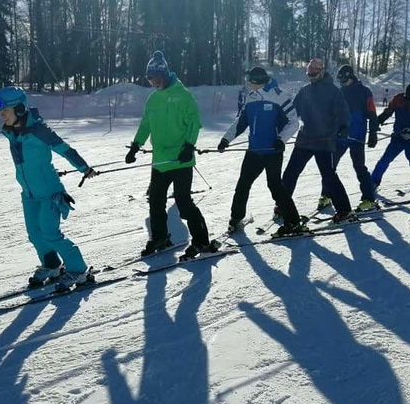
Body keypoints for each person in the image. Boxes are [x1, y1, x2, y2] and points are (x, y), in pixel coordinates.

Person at [0, 86, 97, 289]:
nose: (1, 115)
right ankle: (52, 265)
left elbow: (65, 149)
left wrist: (84, 168)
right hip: (29, 194)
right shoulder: (13, 132)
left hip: (49, 193)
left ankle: (78, 269)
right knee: (35, 234)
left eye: (5, 111)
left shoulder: (39, 131)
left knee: (50, 233)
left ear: (19, 110)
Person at [126, 50, 216, 260]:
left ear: (165, 75)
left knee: (184, 204)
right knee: (155, 202)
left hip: (181, 160)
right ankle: (159, 237)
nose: (154, 83)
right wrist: (135, 146)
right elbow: (146, 124)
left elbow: (195, 123)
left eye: (157, 79)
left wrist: (188, 146)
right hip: (160, 161)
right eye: (150, 80)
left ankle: (202, 239)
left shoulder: (183, 96)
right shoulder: (153, 100)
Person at [217, 66, 305, 237]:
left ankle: (293, 222)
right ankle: (236, 218)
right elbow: (240, 122)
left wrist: (281, 140)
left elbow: (293, 122)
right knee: (243, 184)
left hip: (273, 152)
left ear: (256, 82)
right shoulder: (250, 98)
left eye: (249, 81)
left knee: (275, 186)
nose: (247, 84)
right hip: (254, 151)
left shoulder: (280, 96)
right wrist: (225, 139)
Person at [280, 58, 355, 222]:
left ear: (321, 72)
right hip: (305, 138)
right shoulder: (305, 90)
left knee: (328, 176)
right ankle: (283, 204)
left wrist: (344, 127)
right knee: (291, 172)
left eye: (315, 72)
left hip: (324, 140)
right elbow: (293, 112)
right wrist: (280, 122)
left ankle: (344, 210)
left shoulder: (333, 91)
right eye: (310, 73)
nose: (312, 75)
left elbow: (343, 111)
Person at [317, 64, 378, 212]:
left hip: (357, 136)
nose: (342, 83)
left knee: (359, 167)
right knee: (329, 167)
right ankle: (327, 195)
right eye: (340, 81)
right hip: (340, 136)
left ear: (350, 77)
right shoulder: (339, 92)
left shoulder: (364, 92)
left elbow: (372, 113)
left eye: (344, 80)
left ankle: (369, 199)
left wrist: (373, 132)